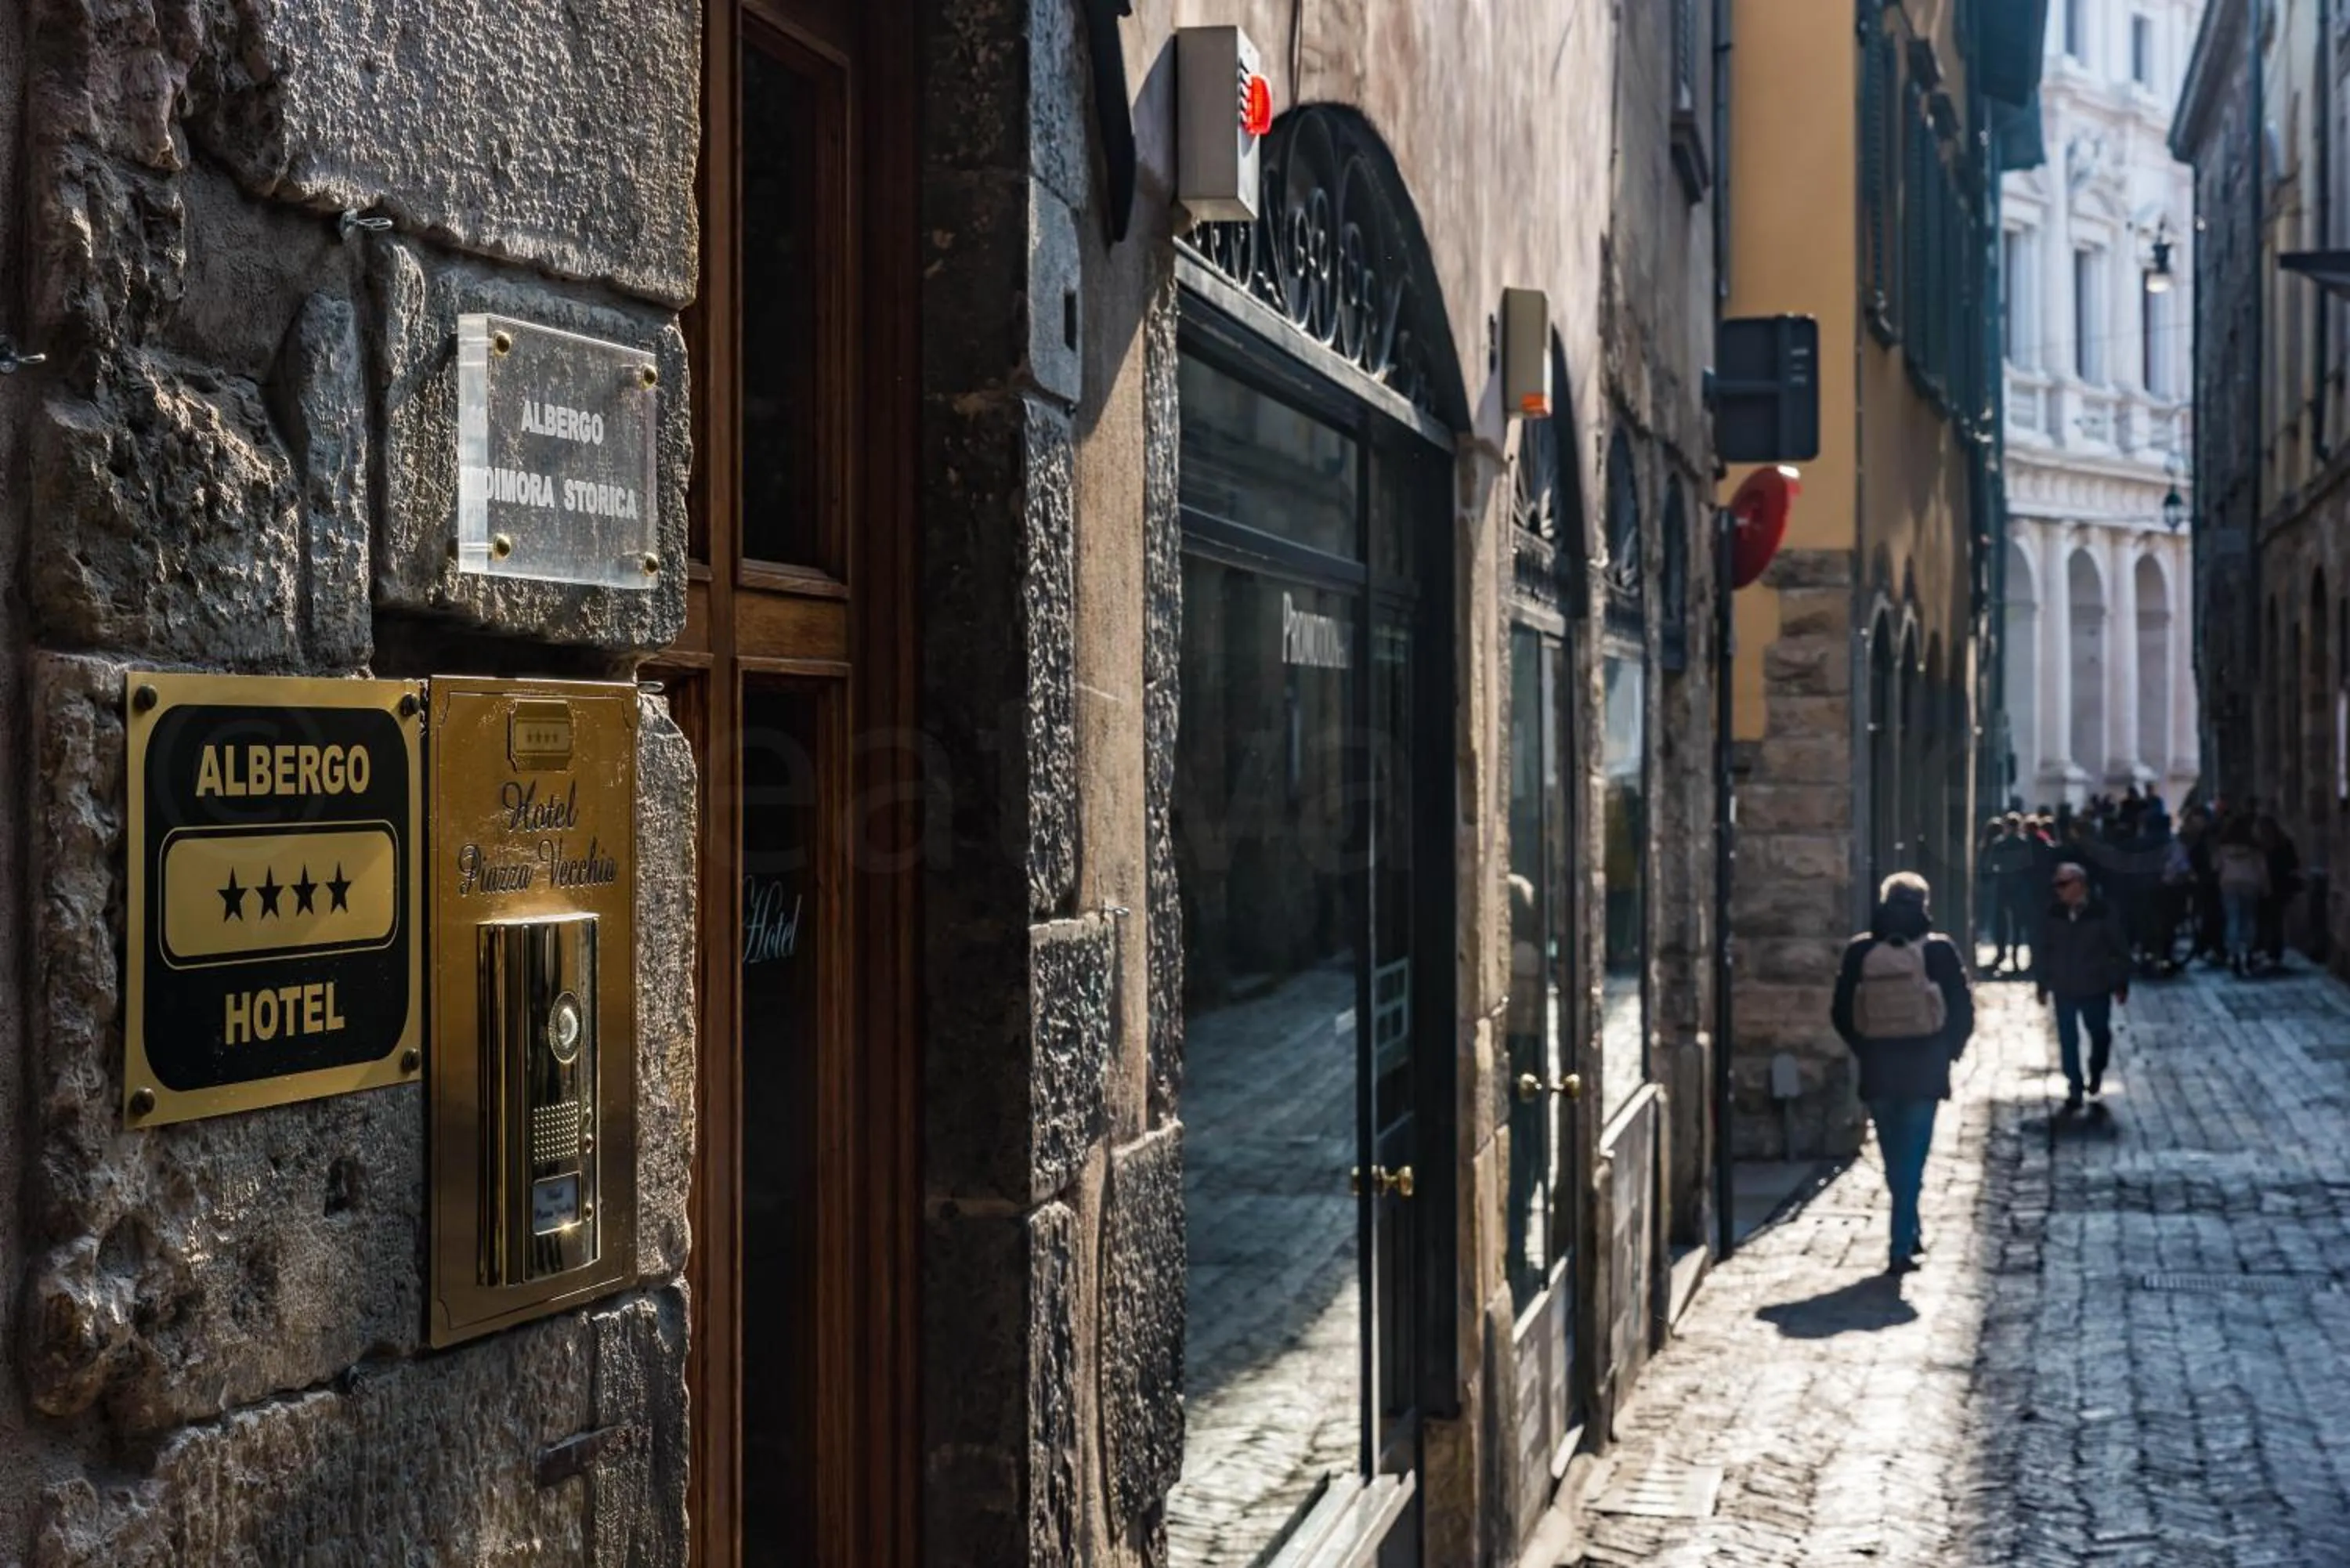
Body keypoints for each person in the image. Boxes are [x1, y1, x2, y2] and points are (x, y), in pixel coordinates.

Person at [1830, 872, 1975, 1275]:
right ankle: (1900, 1247)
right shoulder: (1939, 951)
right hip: (1925, 1071)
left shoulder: (1861, 951)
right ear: (1924, 904)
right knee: (1912, 1160)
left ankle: (1908, 1231)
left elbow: (1841, 1012)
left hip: (1879, 1069)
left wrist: (1866, 1047)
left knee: (1895, 1160)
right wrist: (1948, 1052)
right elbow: (1963, 1009)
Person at [2034, 862, 2131, 1115]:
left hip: (2095, 985)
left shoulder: (2101, 911)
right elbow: (2044, 948)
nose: (2059, 890)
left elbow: (2117, 946)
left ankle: (2096, 1069)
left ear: (2079, 884)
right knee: (2068, 1039)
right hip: (2064, 985)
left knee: (2099, 1034)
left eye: (2064, 884)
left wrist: (2120, 981)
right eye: (2057, 885)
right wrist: (2043, 982)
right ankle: (2074, 1085)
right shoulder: (2053, 912)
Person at [2215, 817, 2270, 975]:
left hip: (2229, 883)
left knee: (2233, 918)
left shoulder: (2223, 848)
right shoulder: (2254, 848)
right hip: (2250, 883)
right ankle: (2247, 952)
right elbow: (2262, 869)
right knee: (2249, 918)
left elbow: (2216, 866)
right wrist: (2266, 887)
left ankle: (2234, 954)